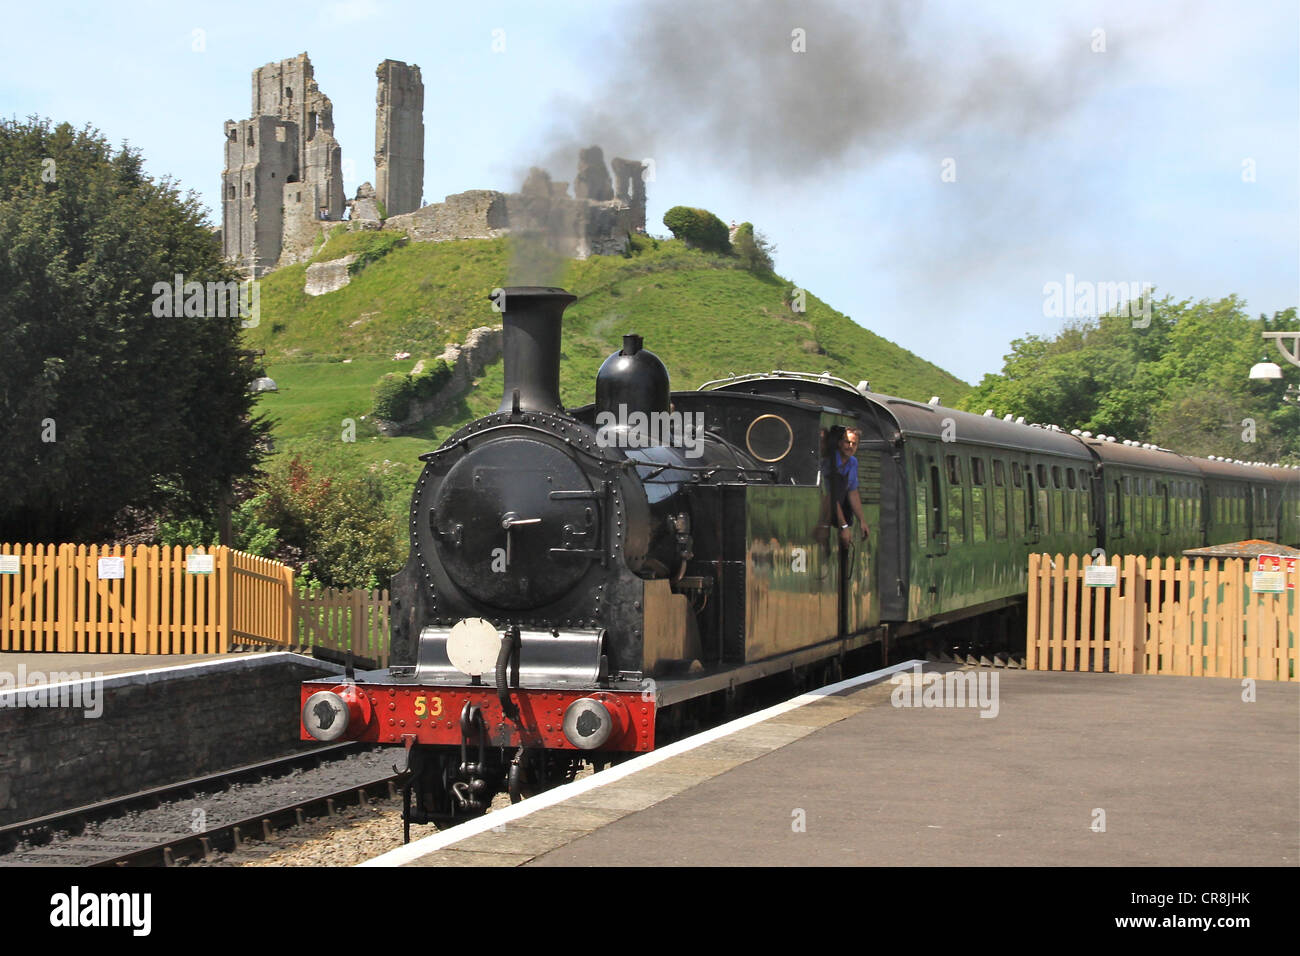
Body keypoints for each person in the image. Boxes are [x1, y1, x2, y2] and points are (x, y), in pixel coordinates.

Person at [825, 426, 870, 546]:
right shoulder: (830, 461)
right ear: (840, 443)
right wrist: (843, 526)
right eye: (847, 442)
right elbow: (831, 495)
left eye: (854, 444)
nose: (850, 446)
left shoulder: (853, 462)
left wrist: (862, 521)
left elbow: (852, 492)